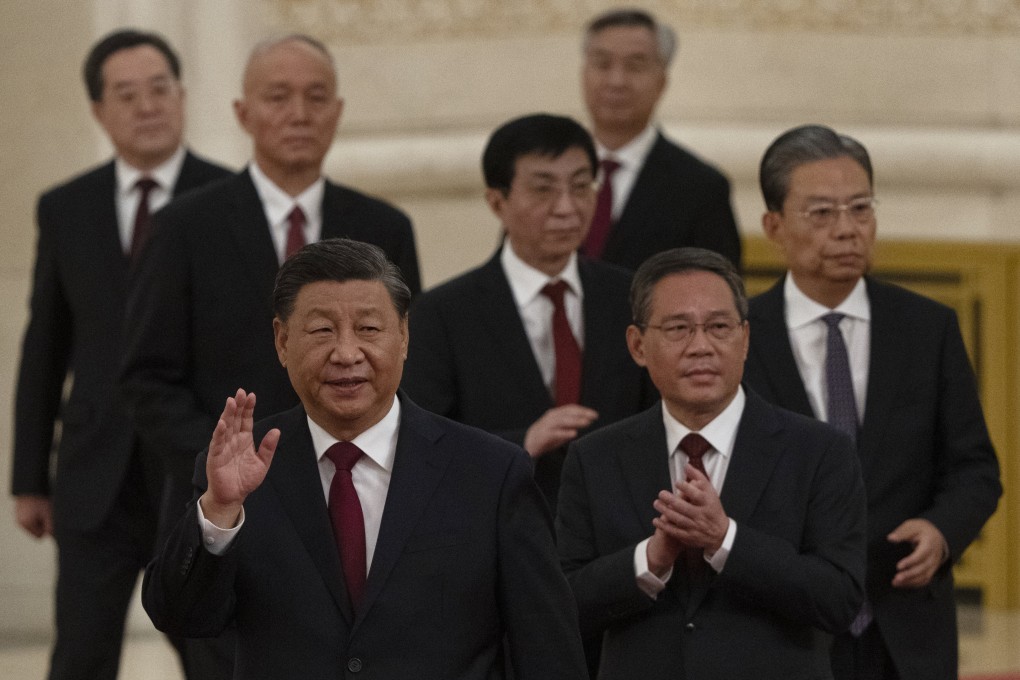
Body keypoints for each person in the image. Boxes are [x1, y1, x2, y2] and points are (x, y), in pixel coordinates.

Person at [141, 238, 588, 679]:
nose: (347, 353)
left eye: (369, 329)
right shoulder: (241, 467)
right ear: (281, 340)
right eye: (322, 331)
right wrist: (219, 511)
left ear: (405, 336)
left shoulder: (490, 472)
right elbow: (183, 618)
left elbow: (546, 650)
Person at [8, 29, 230, 680]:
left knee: (212, 652)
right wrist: (29, 476)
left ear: (183, 98)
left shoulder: (230, 200)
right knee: (81, 653)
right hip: (93, 472)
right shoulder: (66, 208)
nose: (147, 106)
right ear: (99, 112)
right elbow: (45, 344)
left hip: (195, 471)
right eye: (126, 94)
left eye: (160, 89)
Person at [743, 124, 1002, 680]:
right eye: (822, 213)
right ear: (774, 227)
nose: (847, 230)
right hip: (781, 626)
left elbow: (975, 469)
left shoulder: (927, 328)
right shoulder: (738, 336)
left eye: (860, 209)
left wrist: (942, 531)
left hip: (905, 627)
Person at [556, 247, 867, 679]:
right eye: (679, 328)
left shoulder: (819, 451)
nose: (701, 346)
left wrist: (725, 541)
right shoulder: (596, 458)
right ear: (637, 345)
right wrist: (650, 559)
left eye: (719, 327)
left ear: (745, 339)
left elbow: (839, 599)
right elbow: (562, 604)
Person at [401, 113, 655, 511]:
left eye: (581, 186)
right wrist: (524, 443)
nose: (567, 208)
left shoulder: (631, 296)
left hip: (617, 531)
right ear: (497, 202)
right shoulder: (443, 313)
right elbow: (421, 443)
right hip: (497, 524)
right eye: (543, 190)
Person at [579, 8, 741, 272]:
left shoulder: (701, 188)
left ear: (662, 81)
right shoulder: (544, 176)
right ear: (584, 74)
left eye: (635, 66)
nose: (616, 81)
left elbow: (719, 294)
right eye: (602, 63)